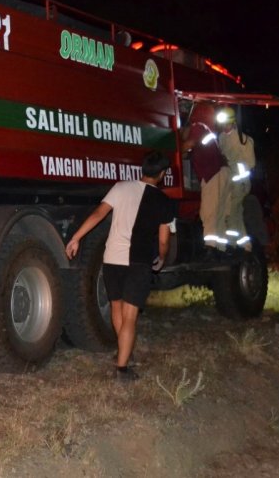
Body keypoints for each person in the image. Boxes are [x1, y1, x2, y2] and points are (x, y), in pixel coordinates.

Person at [65, 150, 176, 381]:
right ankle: (122, 369)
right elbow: (164, 240)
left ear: (143, 169)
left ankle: (123, 352)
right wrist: (162, 258)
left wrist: (76, 237)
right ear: (163, 174)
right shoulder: (165, 202)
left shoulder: (120, 187)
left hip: (112, 259)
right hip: (138, 262)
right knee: (130, 315)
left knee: (116, 307)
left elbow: (98, 213)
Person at [180, 102, 229, 249]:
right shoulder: (208, 129)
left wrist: (173, 153)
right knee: (218, 215)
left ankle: (210, 249)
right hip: (222, 173)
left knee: (208, 213)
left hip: (212, 175)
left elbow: (188, 144)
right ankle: (221, 250)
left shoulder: (198, 126)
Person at [216, 106, 256, 249]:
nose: (224, 126)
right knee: (237, 214)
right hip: (228, 182)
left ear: (233, 122)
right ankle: (245, 245)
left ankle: (232, 245)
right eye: (223, 124)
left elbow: (251, 163)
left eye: (227, 123)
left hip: (240, 184)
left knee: (231, 213)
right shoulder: (221, 137)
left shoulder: (244, 140)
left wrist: (239, 173)